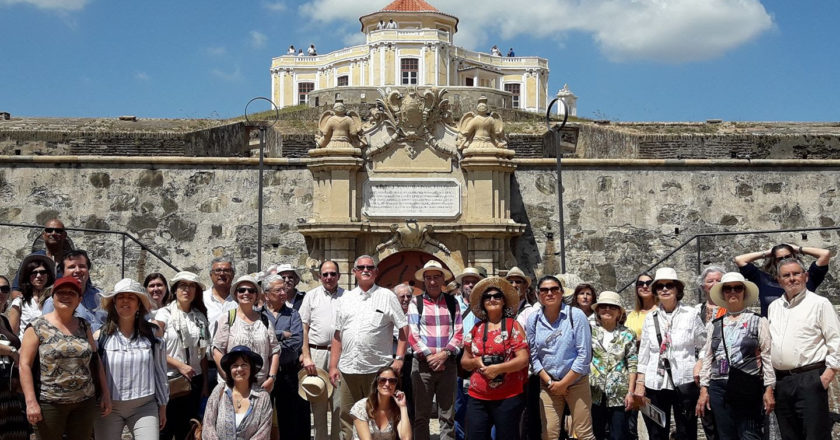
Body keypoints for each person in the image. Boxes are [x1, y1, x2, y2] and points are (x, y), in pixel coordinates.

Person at [18, 275, 112, 440]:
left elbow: (95, 361)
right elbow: (24, 365)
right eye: (61, 292)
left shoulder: (84, 325)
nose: (66, 296)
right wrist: (30, 402)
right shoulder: (37, 326)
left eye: (71, 293)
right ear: (52, 297)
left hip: (84, 403)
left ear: (79, 299)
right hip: (50, 404)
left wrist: (105, 393)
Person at [330, 255, 408, 440]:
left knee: (380, 415)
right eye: (362, 267)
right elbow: (337, 335)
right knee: (347, 415)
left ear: (376, 272)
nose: (366, 270)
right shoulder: (345, 299)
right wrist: (333, 365)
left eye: (370, 267)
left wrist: (399, 359)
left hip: (377, 370)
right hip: (349, 369)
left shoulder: (387, 296)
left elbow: (404, 328)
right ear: (354, 271)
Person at [768, 258, 840, 440]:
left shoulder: (819, 303)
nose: (792, 278)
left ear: (805, 276)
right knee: (789, 435)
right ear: (779, 280)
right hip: (782, 382)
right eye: (786, 275)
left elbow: (836, 341)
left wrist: (826, 377)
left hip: (811, 379)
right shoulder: (774, 307)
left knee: (815, 435)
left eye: (796, 273)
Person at [696, 272, 774, 440]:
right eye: (727, 289)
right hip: (719, 385)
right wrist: (704, 389)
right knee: (725, 434)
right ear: (723, 293)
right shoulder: (715, 324)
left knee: (749, 434)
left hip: (747, 382)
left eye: (737, 288)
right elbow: (709, 357)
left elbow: (767, 356)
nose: (732, 292)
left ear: (743, 292)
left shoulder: (758, 321)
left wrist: (768, 388)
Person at [633, 267, 705, 440]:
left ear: (677, 289)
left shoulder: (691, 314)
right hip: (655, 382)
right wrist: (640, 382)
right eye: (660, 286)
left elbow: (704, 344)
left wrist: (699, 363)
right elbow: (644, 353)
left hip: (684, 379)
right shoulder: (651, 318)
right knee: (657, 431)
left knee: (686, 429)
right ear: (656, 291)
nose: (664, 289)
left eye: (669, 285)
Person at [94, 279, 169, 439]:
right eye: (121, 297)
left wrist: (162, 405)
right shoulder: (100, 336)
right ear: (114, 302)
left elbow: (160, 371)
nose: (125, 301)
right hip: (109, 407)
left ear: (138, 304)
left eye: (131, 297)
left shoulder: (153, 333)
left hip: (145, 406)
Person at [527, 275, 595, 440]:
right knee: (549, 434)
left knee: (583, 434)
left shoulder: (576, 316)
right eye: (544, 290)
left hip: (577, 382)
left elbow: (584, 355)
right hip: (548, 384)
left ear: (561, 292)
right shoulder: (533, 320)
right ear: (538, 294)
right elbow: (533, 357)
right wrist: (551, 383)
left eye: (554, 289)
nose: (549, 293)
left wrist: (564, 384)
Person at [460, 276, 529, 440]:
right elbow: (465, 361)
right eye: (487, 297)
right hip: (478, 396)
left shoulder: (513, 326)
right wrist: (476, 362)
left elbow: (523, 359)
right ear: (483, 302)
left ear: (504, 301)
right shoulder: (476, 329)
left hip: (508, 396)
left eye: (497, 296)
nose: (492, 299)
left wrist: (498, 368)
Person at [407, 260, 463, 440]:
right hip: (423, 365)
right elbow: (412, 335)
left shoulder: (452, 302)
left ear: (443, 279)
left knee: (447, 416)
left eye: (436, 277)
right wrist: (431, 357)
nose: (432, 282)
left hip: (448, 365)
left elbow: (459, 332)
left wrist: (444, 354)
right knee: (421, 416)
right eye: (428, 278)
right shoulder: (416, 303)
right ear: (424, 280)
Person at [154, 271, 210, 440]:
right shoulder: (164, 314)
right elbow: (154, 347)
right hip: (169, 380)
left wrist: (206, 383)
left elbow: (203, 354)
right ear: (175, 290)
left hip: (193, 380)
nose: (187, 290)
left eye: (191, 286)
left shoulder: (200, 317)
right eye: (182, 286)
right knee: (164, 429)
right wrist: (180, 365)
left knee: (186, 430)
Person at [300, 260, 345, 440]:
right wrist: (306, 355)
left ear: (339, 276)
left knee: (339, 405)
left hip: (341, 355)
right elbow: (304, 327)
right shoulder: (311, 296)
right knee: (317, 405)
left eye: (332, 274)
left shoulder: (348, 297)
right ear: (320, 276)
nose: (329, 277)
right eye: (325, 274)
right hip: (316, 354)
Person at [212, 275, 280, 393]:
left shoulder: (264, 320)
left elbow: (274, 351)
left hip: (260, 385)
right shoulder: (227, 318)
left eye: (251, 290)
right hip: (233, 386)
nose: (246, 293)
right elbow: (217, 350)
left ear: (256, 295)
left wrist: (271, 378)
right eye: (242, 290)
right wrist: (228, 377)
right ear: (236, 294)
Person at [261, 274, 307, 440]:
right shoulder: (258, 316)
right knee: (262, 419)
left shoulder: (293, 314)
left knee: (289, 419)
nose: (283, 292)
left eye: (284, 289)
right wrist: (281, 335)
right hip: (264, 374)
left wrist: (270, 344)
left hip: (288, 373)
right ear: (266, 294)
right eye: (278, 290)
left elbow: (296, 341)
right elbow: (257, 343)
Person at [588, 291, 637, 440]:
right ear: (597, 310)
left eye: (612, 307)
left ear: (619, 313)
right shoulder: (590, 331)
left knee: (619, 435)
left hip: (618, 392)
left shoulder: (628, 334)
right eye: (603, 306)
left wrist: (630, 392)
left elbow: (632, 363)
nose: (607, 309)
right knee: (596, 434)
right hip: (593, 391)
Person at [734, 243, 831, 316]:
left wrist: (797, 248)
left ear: (794, 256)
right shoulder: (762, 279)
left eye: (788, 256)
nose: (784, 260)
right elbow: (739, 260)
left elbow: (825, 254)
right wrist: (767, 253)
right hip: (772, 335)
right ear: (774, 260)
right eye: (780, 258)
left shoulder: (805, 277)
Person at [202, 345, 273, 440]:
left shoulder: (262, 397)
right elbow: (208, 425)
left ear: (251, 368)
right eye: (235, 365)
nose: (239, 369)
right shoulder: (219, 391)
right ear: (229, 370)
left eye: (244, 364)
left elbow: (263, 433)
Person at [693, 265, 725, 440]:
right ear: (703, 286)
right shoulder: (696, 311)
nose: (714, 284)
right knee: (708, 421)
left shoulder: (731, 309)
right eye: (710, 281)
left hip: (723, 371)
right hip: (700, 373)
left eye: (718, 280)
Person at [452, 267, 484, 440]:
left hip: (480, 357)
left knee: (481, 402)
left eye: (473, 281)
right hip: (458, 358)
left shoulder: (486, 303)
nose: (470, 285)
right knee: (459, 405)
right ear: (461, 284)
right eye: (466, 281)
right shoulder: (453, 303)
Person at [624, 273, 656, 440]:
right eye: (640, 283)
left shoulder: (660, 311)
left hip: (652, 371)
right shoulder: (632, 314)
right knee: (630, 423)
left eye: (649, 283)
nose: (644, 286)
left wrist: (639, 340)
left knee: (652, 420)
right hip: (632, 371)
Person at [41, 249, 105, 332]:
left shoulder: (101, 296)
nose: (77, 270)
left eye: (82, 266)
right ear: (63, 272)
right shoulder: (54, 302)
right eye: (71, 267)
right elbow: (45, 331)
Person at [0, 274, 29, 440]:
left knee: (15, 433)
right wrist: (12, 352)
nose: (1, 292)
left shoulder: (4, 320)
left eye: (5, 289)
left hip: (9, 389)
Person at [11, 218, 71, 297]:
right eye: (49, 230)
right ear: (43, 235)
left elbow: (86, 289)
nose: (53, 233)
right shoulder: (31, 260)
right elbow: (16, 291)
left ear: (64, 235)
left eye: (58, 231)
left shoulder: (73, 262)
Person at [350, 365, 412, 440]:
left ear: (396, 385)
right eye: (383, 380)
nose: (387, 384)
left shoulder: (397, 408)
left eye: (392, 381)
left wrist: (403, 407)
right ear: (376, 384)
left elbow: (406, 438)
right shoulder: (361, 407)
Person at [9, 254, 55, 338]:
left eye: (42, 272)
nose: (38, 276)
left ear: (48, 275)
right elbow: (12, 333)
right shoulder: (19, 302)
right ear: (28, 276)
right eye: (34, 273)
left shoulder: (55, 301)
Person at [203, 256, 237, 338]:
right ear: (211, 275)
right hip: (206, 349)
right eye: (217, 270)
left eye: (226, 271)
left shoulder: (240, 299)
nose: (222, 274)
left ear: (233, 274)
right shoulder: (201, 299)